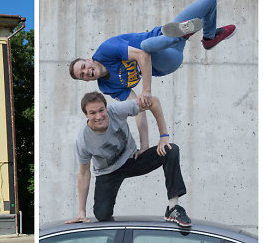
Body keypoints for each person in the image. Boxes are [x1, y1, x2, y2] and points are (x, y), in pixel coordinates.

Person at [69, 0, 236, 155]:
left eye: (84, 66)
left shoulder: (106, 51)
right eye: (82, 75)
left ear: (88, 60)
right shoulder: (108, 86)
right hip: (166, 61)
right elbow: (137, 108)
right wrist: (145, 145)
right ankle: (181, 34)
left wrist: (146, 90)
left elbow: (141, 56)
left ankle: (208, 38)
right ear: (84, 81)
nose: (86, 72)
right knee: (146, 46)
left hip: (163, 35)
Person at [65, 91, 191, 227]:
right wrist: (81, 212)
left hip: (132, 159)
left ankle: (173, 208)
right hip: (107, 173)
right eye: (92, 113)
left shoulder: (116, 111)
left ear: (106, 108)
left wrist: (163, 137)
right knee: (102, 215)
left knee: (170, 150)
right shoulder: (83, 139)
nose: (99, 116)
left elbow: (153, 102)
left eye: (101, 110)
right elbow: (84, 174)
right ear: (86, 115)